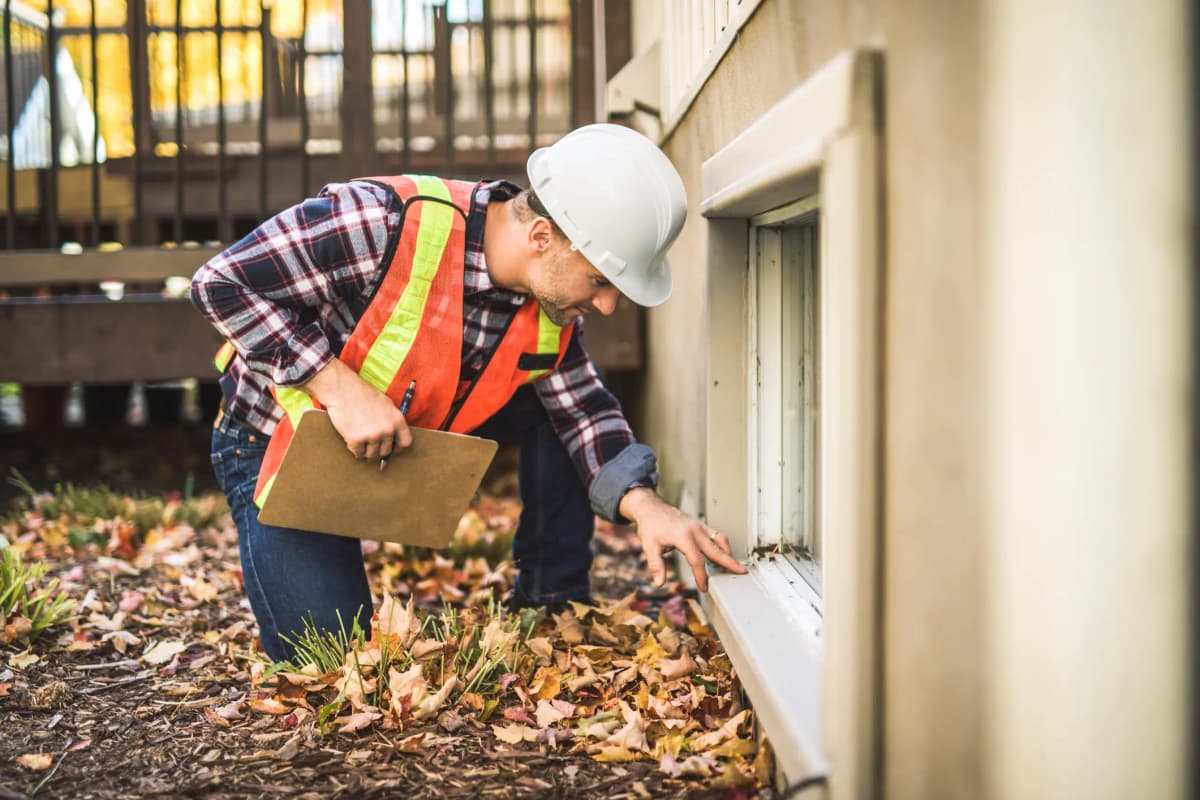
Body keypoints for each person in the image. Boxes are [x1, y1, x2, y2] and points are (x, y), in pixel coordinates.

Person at [190, 123, 746, 662]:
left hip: (404, 425)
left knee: (555, 405)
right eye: (601, 280)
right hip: (275, 447)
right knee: (330, 663)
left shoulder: (549, 302)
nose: (607, 306)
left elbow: (582, 409)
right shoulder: (380, 221)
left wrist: (645, 504)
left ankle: (550, 599)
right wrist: (338, 388)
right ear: (541, 237)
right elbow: (220, 282)